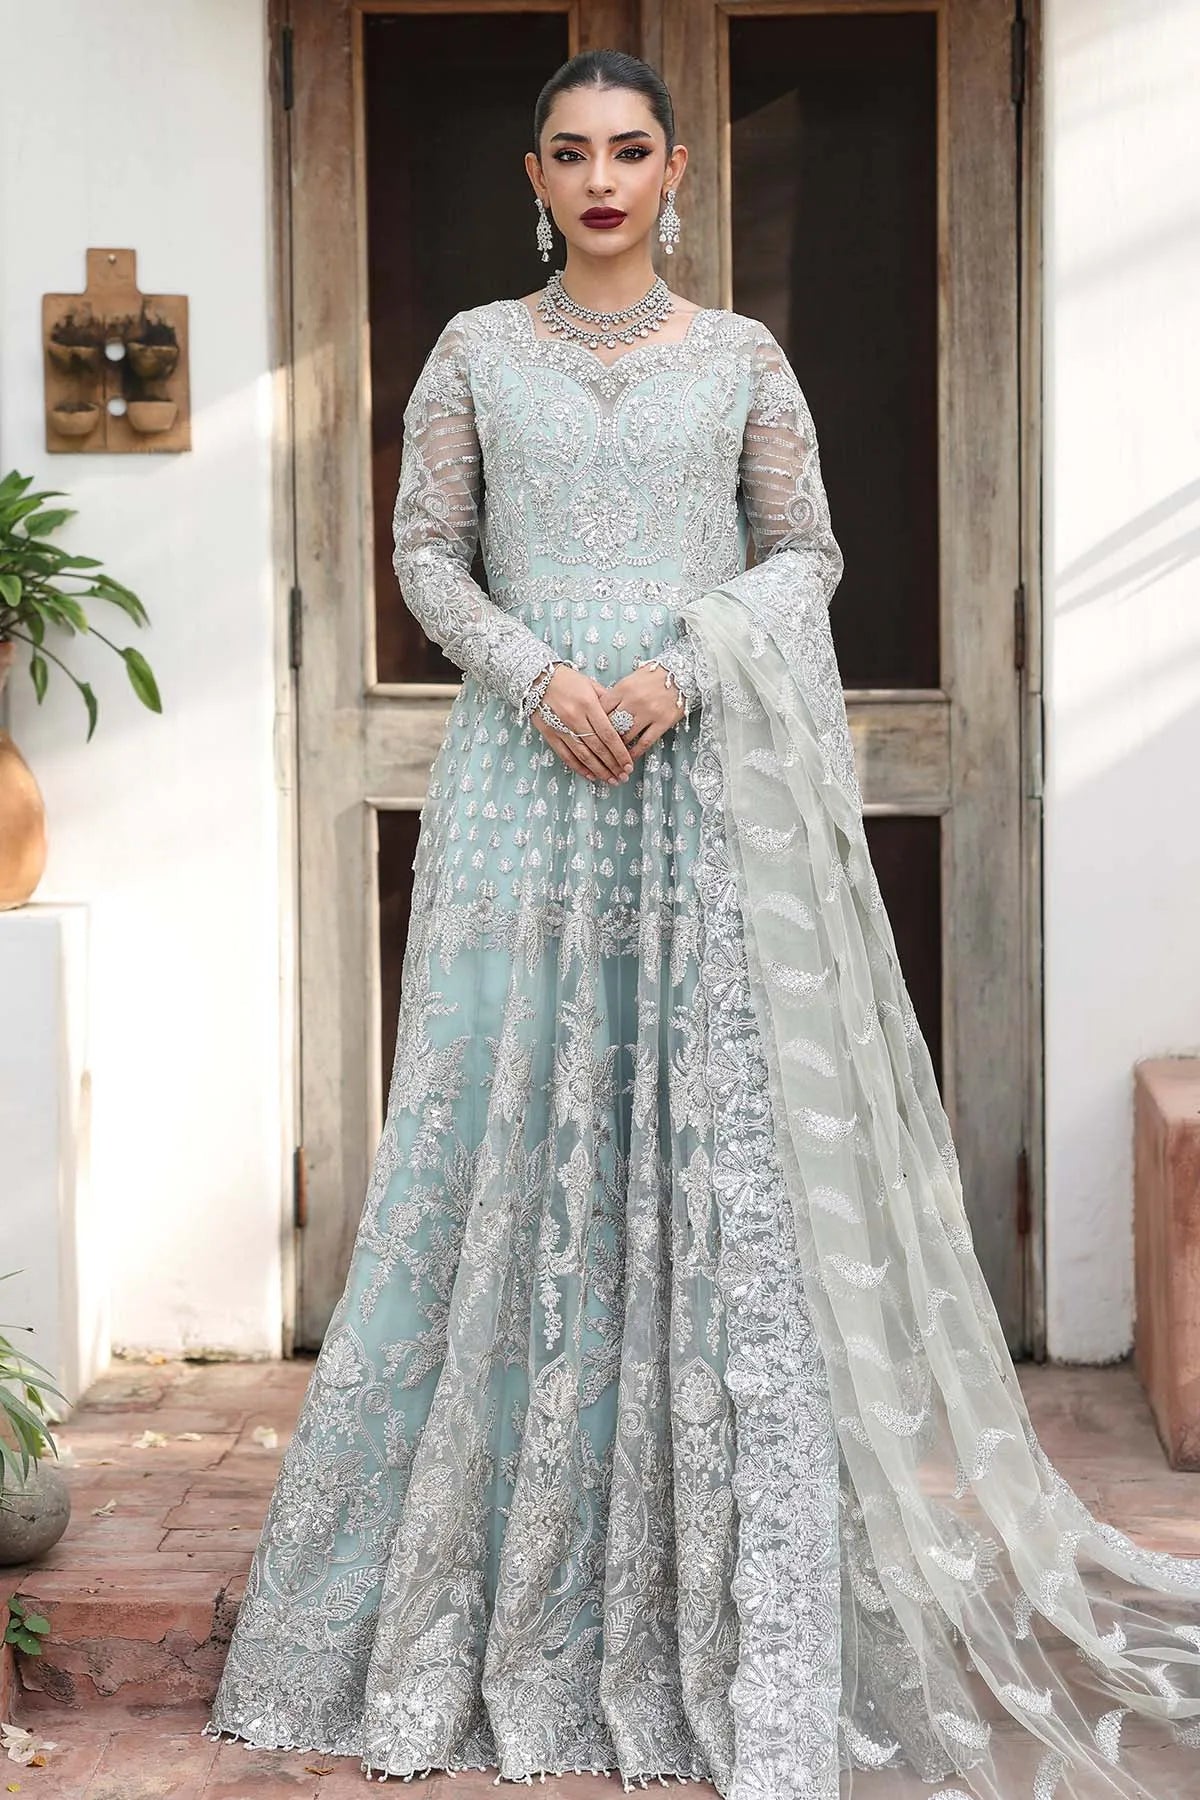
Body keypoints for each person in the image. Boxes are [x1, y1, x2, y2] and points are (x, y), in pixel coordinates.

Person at [204, 48, 1200, 1800]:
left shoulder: (742, 358)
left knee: (699, 1154)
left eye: (632, 152)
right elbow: (427, 553)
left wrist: (675, 670)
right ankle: (479, 1586)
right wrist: (534, 677)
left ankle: (715, 1591)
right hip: (528, 788)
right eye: (572, 154)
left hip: (692, 785)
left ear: (679, 175)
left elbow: (805, 554)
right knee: (503, 1140)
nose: (602, 180)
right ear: (533, 172)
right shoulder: (470, 355)